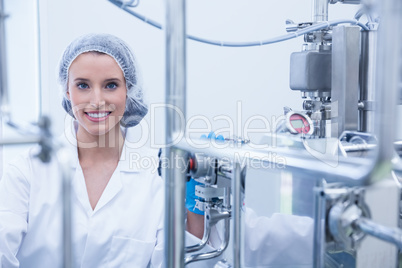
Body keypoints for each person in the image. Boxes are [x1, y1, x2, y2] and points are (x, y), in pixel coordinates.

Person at [0, 33, 164, 267]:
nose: (96, 100)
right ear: (67, 90)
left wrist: (196, 205)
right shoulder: (26, 171)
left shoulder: (157, 175)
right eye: (83, 85)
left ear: (129, 90)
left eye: (111, 85)